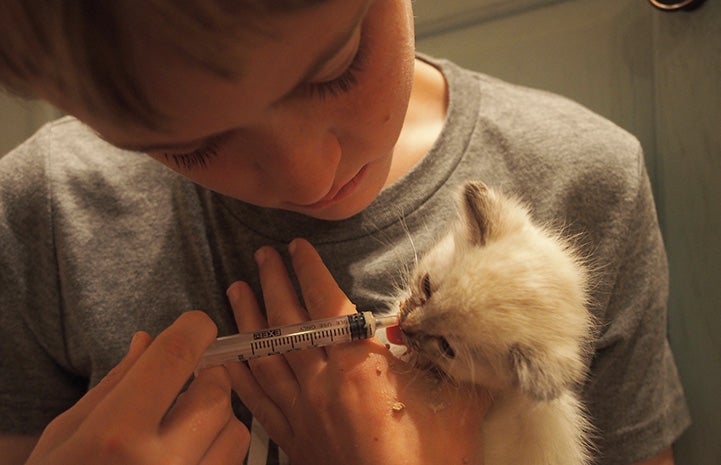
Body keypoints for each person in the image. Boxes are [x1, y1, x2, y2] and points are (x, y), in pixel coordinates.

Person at [0, 1, 690, 464]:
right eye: (190, 144)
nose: (309, 177)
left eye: (335, 67)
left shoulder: (589, 179)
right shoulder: (42, 208)